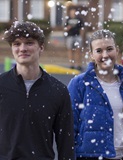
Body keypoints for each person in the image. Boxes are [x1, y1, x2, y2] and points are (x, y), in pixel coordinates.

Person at [0, 21, 75, 159]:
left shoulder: (58, 90)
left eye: (29, 43)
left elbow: (66, 142)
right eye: (17, 44)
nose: (22, 48)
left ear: (41, 47)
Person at [68, 29, 123, 160]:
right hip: (89, 156)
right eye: (99, 51)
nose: (105, 55)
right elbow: (69, 126)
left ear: (117, 50)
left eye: (109, 49)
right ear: (91, 54)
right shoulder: (79, 83)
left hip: (121, 155)